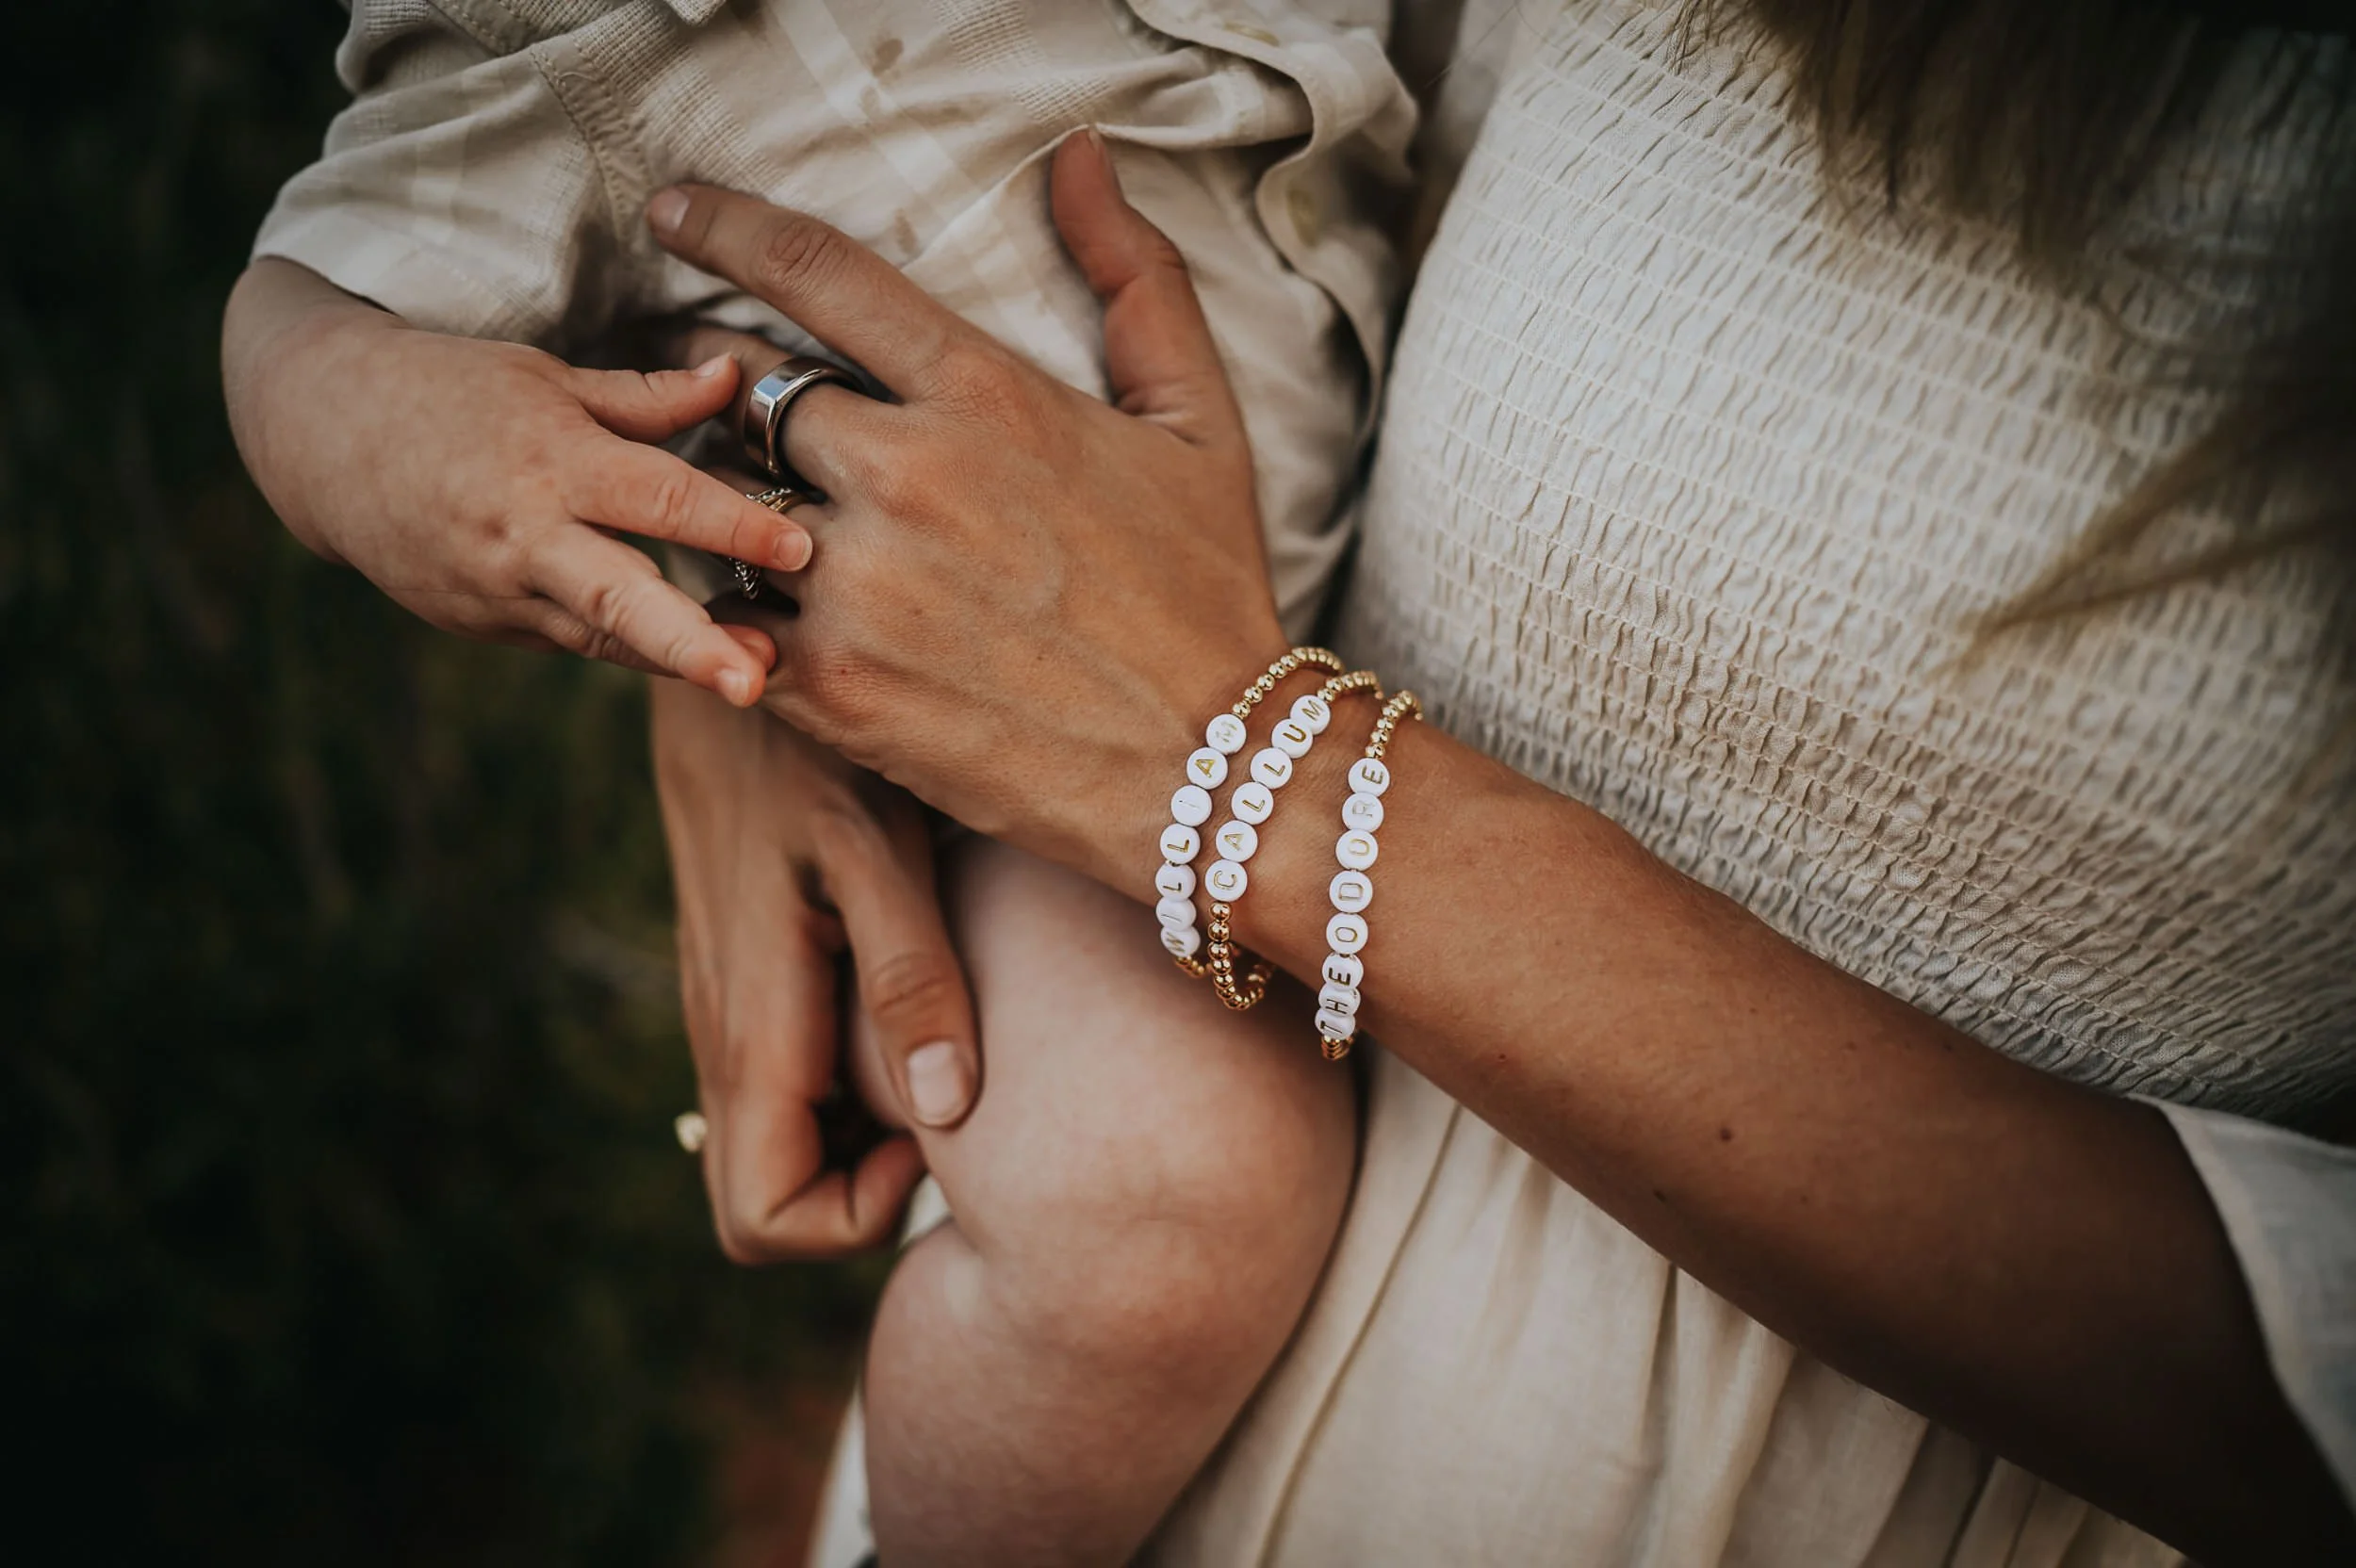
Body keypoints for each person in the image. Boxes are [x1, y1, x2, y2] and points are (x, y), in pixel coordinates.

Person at [232, 1, 2356, 1566]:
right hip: (1120, 1114)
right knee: (1154, 1201)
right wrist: (717, 623)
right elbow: (343, 317)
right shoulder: (576, 46)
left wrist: (1218, 763)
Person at [221, 2, 1416, 1561]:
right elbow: (301, 306)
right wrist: (395, 428)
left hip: (1380, 611)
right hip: (1007, 775)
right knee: (1157, 1200)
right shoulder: (590, 34)